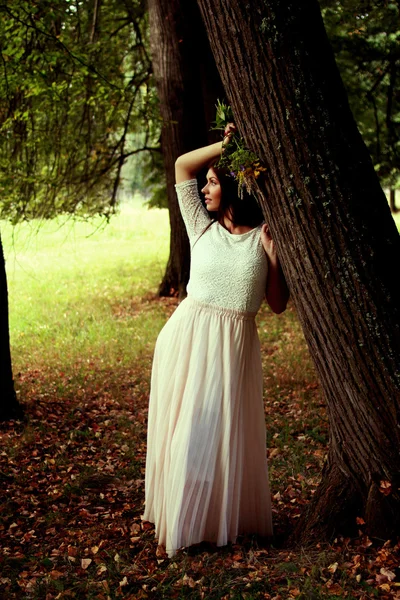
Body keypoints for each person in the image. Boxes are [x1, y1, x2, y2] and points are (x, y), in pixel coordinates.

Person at [142, 124, 289, 557]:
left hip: (233, 350)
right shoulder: (200, 227)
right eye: (205, 183)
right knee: (188, 434)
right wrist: (227, 146)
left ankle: (212, 519)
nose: (205, 188)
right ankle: (185, 527)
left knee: (220, 438)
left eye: (213, 181)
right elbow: (182, 165)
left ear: (230, 184)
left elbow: (277, 305)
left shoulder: (264, 235)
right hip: (187, 343)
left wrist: (276, 260)